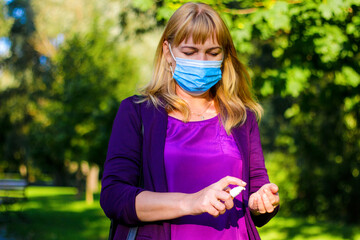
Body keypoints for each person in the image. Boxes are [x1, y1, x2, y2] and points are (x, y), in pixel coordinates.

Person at [100, 2, 280, 240]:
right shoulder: (137, 112)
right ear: (168, 51)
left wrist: (262, 203)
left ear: (225, 55)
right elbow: (114, 197)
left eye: (213, 52)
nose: (202, 61)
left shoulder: (241, 117)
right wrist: (193, 201)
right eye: (190, 52)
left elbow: (256, 192)